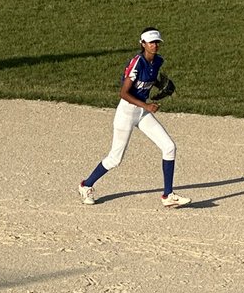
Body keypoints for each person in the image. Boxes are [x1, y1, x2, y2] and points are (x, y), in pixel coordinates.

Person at [79, 29, 189, 208]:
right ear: (143, 44)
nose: (155, 45)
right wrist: (146, 106)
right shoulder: (137, 62)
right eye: (151, 42)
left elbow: (149, 79)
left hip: (142, 113)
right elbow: (124, 93)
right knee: (115, 158)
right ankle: (86, 185)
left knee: (169, 147)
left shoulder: (158, 61)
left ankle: (168, 195)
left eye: (157, 42)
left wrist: (160, 85)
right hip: (127, 113)